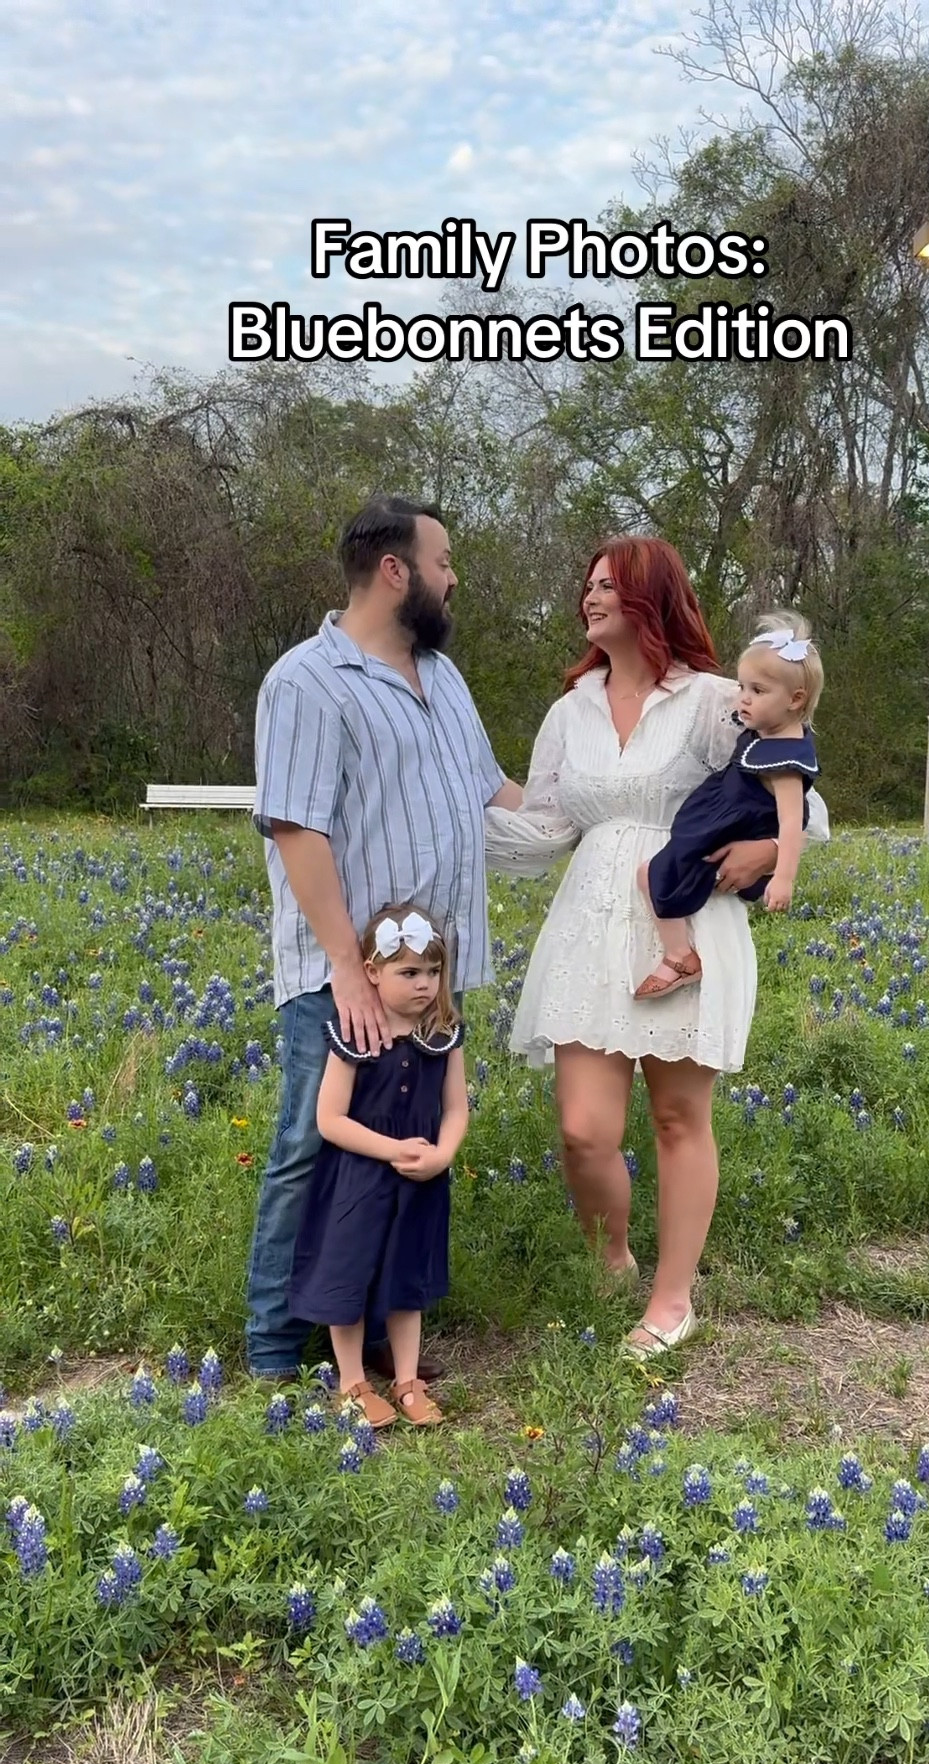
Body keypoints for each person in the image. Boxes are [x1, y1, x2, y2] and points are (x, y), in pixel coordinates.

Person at [483, 538, 828, 1357]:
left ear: (648, 598)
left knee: (678, 1116)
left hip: (688, 912)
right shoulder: (571, 710)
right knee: (583, 1130)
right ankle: (612, 1256)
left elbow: (804, 808)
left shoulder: (715, 699)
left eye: (606, 585)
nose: (589, 598)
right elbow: (547, 825)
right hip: (590, 921)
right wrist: (454, 820)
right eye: (587, 583)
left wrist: (767, 857)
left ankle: (671, 1301)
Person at [247, 494, 522, 1384]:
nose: (455, 579)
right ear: (396, 571)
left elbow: (494, 793)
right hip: (347, 973)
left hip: (429, 981)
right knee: (311, 1149)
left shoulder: (443, 677)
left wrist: (620, 817)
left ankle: (367, 1346)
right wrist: (345, 972)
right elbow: (298, 829)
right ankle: (275, 1352)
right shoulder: (305, 681)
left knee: (404, 1161)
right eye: (443, 563)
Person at [290, 905, 467, 1427]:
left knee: (405, 1280)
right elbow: (329, 1119)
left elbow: (456, 1108)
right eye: (409, 972)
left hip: (420, 1182)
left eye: (433, 973)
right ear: (372, 971)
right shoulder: (354, 1036)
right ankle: (352, 1382)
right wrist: (391, 1150)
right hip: (357, 1182)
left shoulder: (444, 1036)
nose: (425, 985)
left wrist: (444, 1153)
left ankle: (407, 1379)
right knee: (348, 1277)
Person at [633, 612, 822, 998]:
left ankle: (679, 956)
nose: (743, 698)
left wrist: (784, 877)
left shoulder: (787, 762)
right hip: (719, 823)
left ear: (795, 699)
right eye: (742, 687)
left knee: (648, 874)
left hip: (723, 835)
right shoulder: (761, 733)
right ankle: (680, 950)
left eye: (757, 690)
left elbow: (791, 824)